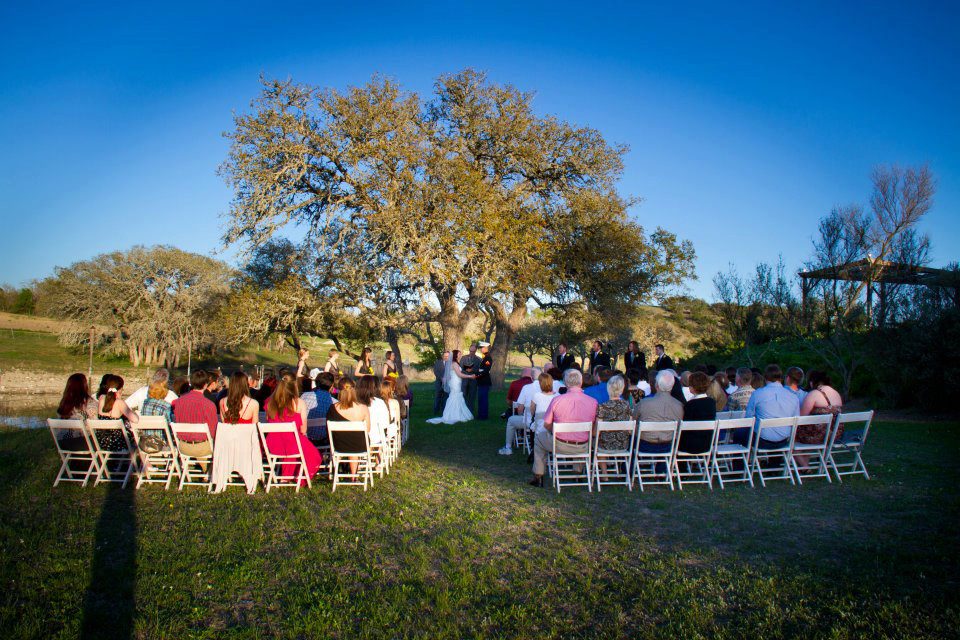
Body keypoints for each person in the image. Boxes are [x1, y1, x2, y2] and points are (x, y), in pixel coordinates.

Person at [529, 369, 598, 488]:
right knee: (583, 436)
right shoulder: (593, 402)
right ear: (581, 382)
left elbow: (546, 424)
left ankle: (538, 475)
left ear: (566, 383)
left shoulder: (557, 400)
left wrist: (553, 431)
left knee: (539, 438)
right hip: (583, 446)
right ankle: (577, 471)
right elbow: (594, 427)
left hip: (559, 445)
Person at [265, 377, 321, 485]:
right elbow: (303, 429)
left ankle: (286, 477)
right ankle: (298, 477)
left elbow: (269, 423)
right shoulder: (299, 403)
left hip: (273, 443)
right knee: (314, 455)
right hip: (293, 442)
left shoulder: (270, 403)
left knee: (295, 445)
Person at [740, 365, 800, 449]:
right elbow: (797, 419)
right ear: (781, 378)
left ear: (765, 377)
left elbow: (748, 418)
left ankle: (742, 461)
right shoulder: (793, 397)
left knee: (740, 432)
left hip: (761, 441)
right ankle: (774, 461)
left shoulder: (757, 394)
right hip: (784, 441)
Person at [796, 370, 844, 471]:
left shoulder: (814, 394)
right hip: (834, 434)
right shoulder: (836, 393)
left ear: (812, 382)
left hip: (818, 435)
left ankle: (804, 466)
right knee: (804, 437)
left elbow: (801, 417)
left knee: (790, 439)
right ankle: (805, 465)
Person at [326, 378, 371, 476]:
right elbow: (367, 429)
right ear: (354, 390)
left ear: (339, 391)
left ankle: (339, 469)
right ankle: (353, 475)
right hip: (359, 446)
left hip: (338, 446)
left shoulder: (333, 408)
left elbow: (328, 428)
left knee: (349, 440)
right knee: (355, 440)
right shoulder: (363, 408)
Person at [171, 370, 219, 458]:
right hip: (203, 448)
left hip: (183, 446)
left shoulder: (178, 402)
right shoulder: (209, 404)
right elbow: (214, 431)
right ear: (205, 385)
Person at [637, 371, 684, 456]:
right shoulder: (679, 405)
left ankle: (629, 468)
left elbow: (633, 420)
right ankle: (662, 467)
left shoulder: (644, 403)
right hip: (668, 446)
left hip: (645, 445)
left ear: (656, 385)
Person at [596, 375, 633, 477]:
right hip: (623, 445)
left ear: (608, 388)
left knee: (596, 444)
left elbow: (598, 430)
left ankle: (605, 474)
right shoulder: (627, 406)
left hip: (605, 445)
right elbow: (630, 430)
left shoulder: (603, 406)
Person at [499, 367, 542, 455]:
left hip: (529, 421)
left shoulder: (526, 388)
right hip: (545, 422)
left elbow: (520, 408)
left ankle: (508, 447)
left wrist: (521, 414)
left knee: (511, 420)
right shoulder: (547, 388)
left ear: (531, 377)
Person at [427, 350, 476, 425]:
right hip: (455, 383)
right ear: (455, 355)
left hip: (455, 382)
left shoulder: (453, 364)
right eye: (459, 354)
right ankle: (455, 415)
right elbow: (459, 374)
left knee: (454, 396)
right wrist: (470, 376)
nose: (460, 355)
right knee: (455, 396)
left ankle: (454, 413)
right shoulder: (454, 364)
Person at [95, 374, 139, 450]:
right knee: (138, 440)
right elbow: (135, 420)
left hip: (102, 442)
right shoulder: (119, 403)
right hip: (118, 443)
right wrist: (135, 413)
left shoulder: (101, 398)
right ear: (120, 389)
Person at [678, 372, 716, 454]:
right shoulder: (711, 402)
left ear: (692, 387)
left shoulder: (691, 404)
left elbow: (685, 426)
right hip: (707, 444)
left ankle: (682, 466)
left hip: (690, 445)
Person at [302, 371, 335, 443]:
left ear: (316, 383)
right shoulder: (335, 403)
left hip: (305, 437)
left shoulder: (304, 396)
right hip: (325, 439)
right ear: (332, 385)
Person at [459, 344, 481, 413]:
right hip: (465, 380)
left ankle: (470, 411)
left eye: (473, 351)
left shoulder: (478, 359)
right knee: (464, 395)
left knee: (472, 396)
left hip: (473, 380)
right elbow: (460, 368)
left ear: (475, 351)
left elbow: (480, 370)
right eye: (470, 351)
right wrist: (466, 370)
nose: (471, 352)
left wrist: (473, 370)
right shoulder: (463, 358)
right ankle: (463, 411)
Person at [476, 341, 493, 420]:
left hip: (484, 381)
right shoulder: (484, 357)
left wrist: (477, 375)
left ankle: (483, 416)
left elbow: (486, 370)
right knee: (480, 399)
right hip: (481, 381)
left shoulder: (488, 358)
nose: (481, 349)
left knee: (483, 399)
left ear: (486, 348)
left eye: (482, 348)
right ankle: (481, 415)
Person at [432, 351, 450, 415]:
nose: (446, 357)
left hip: (448, 383)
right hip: (439, 382)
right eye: (445, 356)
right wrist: (441, 378)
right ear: (443, 356)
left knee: (446, 397)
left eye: (447, 356)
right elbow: (435, 371)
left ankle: (444, 411)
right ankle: (436, 411)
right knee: (437, 396)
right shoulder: (438, 362)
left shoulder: (451, 363)